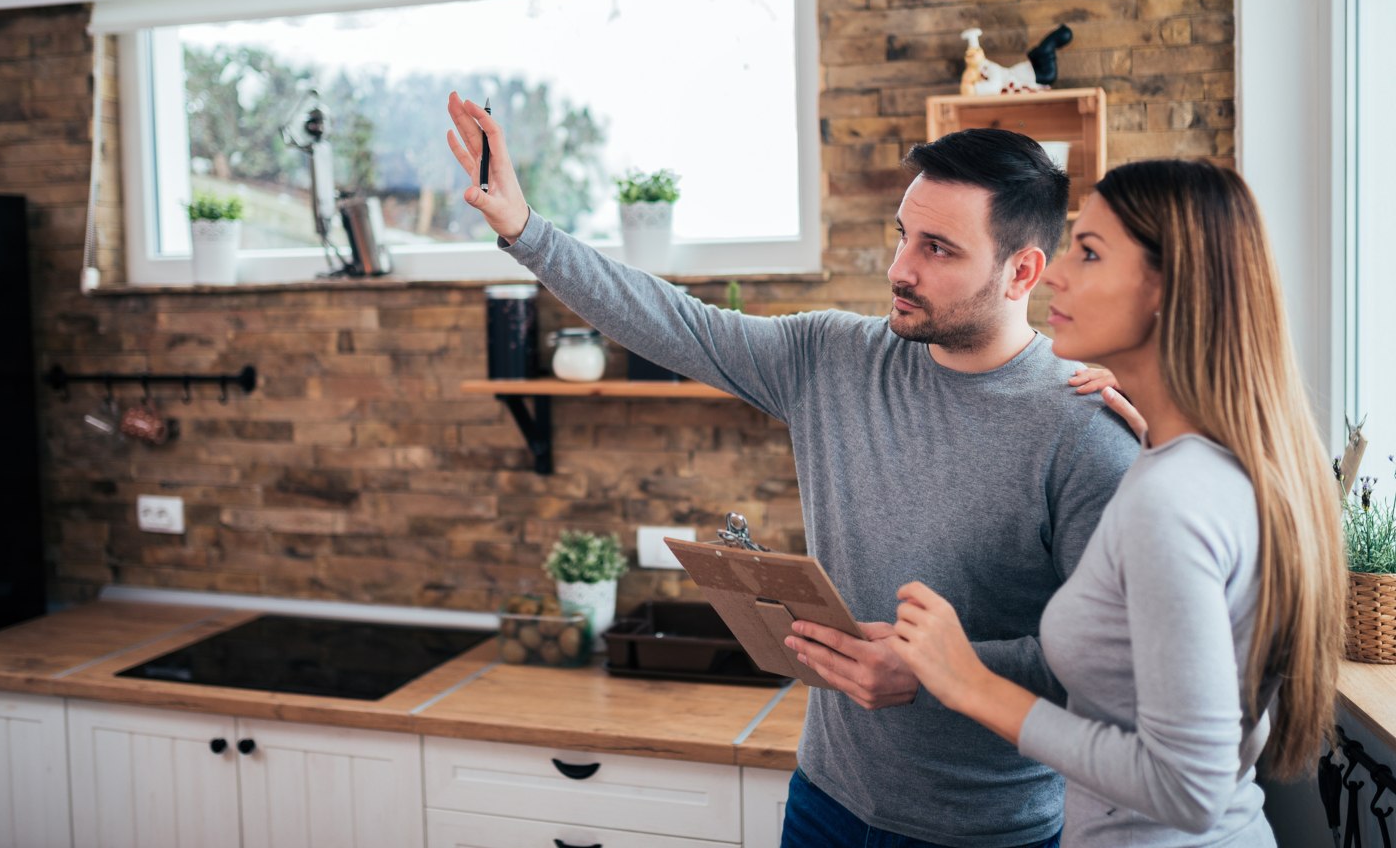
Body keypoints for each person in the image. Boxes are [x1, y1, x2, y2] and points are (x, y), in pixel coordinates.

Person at [446, 93, 1139, 848]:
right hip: (825, 802)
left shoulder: (1085, 430)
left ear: (1022, 271)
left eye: (939, 249)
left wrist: (939, 671)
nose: (899, 269)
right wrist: (524, 228)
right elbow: (675, 322)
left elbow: (1113, 662)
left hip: (986, 832)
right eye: (903, 236)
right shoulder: (831, 357)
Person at [892, 159, 1345, 846]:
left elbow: (1188, 788)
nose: (1055, 273)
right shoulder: (1207, 464)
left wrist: (968, 683)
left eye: (1090, 253)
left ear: (1170, 290)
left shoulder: (1173, 499)